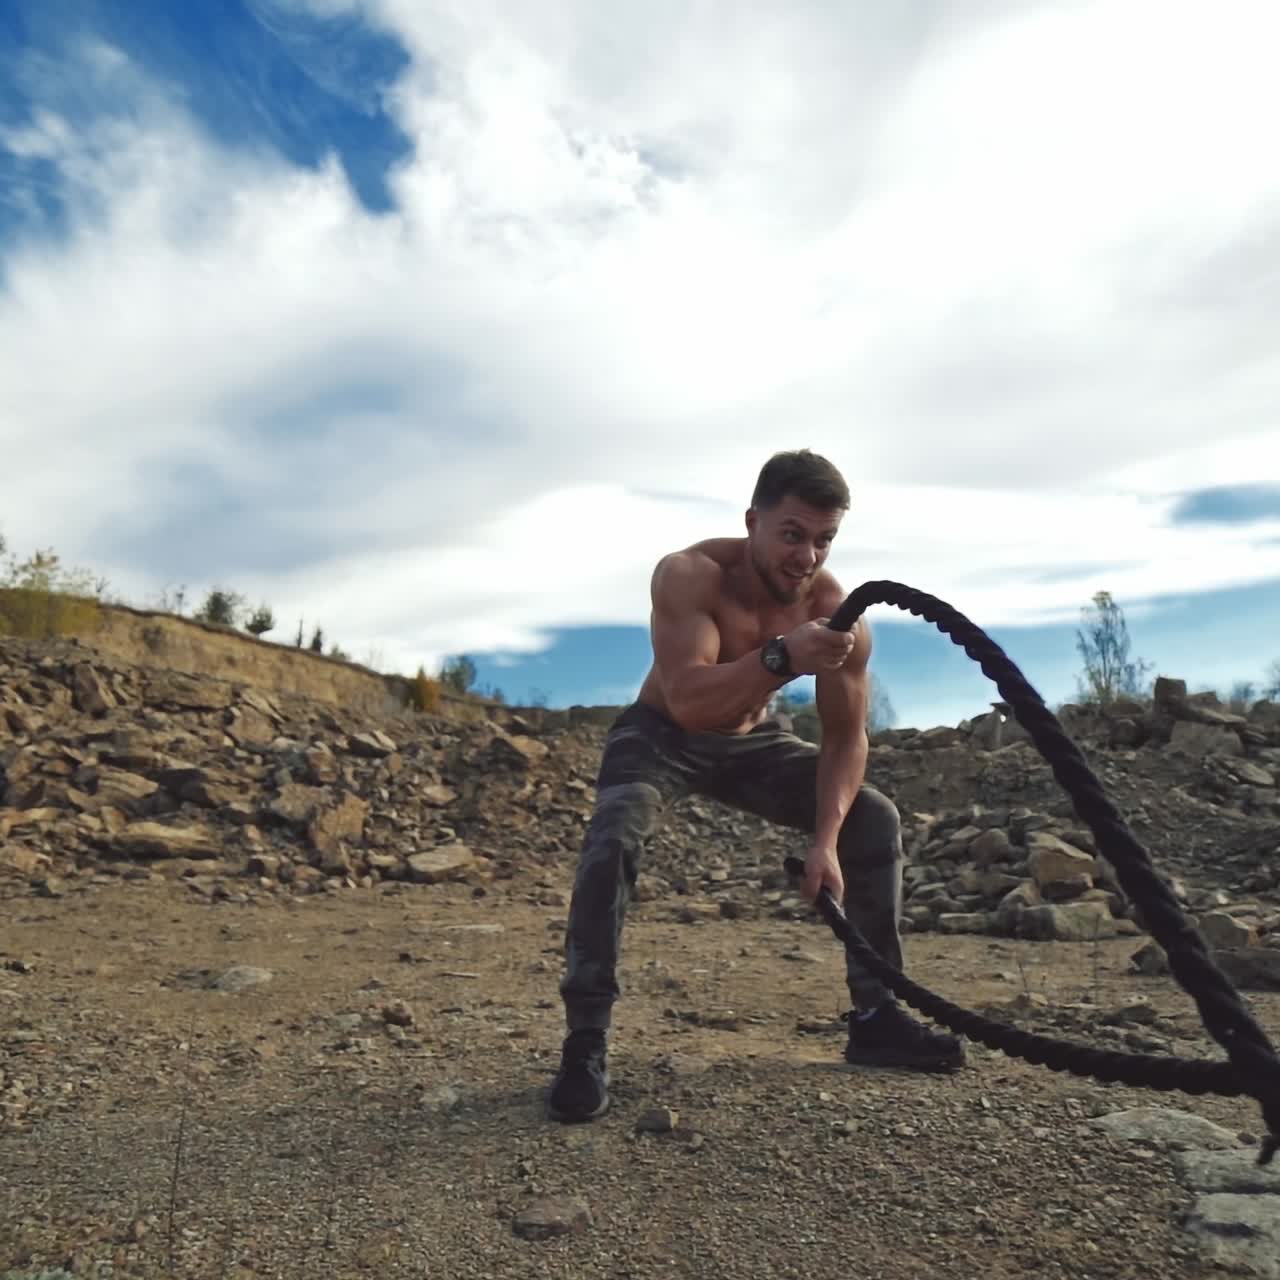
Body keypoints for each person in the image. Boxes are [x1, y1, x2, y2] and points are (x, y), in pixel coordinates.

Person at [548, 449, 964, 1122]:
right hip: (662, 732)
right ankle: (585, 1041)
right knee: (614, 831)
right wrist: (782, 657)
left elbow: (845, 739)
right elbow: (688, 701)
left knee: (874, 817)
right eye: (792, 534)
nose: (807, 557)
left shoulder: (836, 613)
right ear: (753, 523)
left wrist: (825, 842)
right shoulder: (690, 576)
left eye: (824, 540)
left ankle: (877, 1017)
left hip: (753, 741)